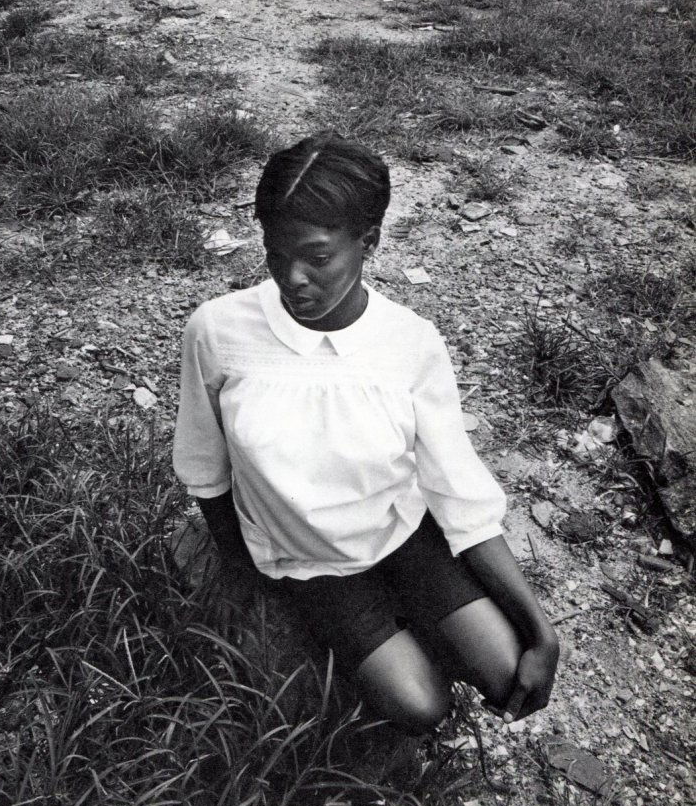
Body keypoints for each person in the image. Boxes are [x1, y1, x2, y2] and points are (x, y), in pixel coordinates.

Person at [172, 132, 559, 734]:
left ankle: (424, 616)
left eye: (318, 257)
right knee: (423, 708)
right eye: (276, 256)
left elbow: (458, 493)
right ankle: (391, 636)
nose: (293, 278)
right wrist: (243, 574)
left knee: (510, 672)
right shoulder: (220, 332)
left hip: (402, 534)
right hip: (309, 564)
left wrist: (541, 629)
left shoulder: (409, 343)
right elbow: (205, 468)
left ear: (369, 241)